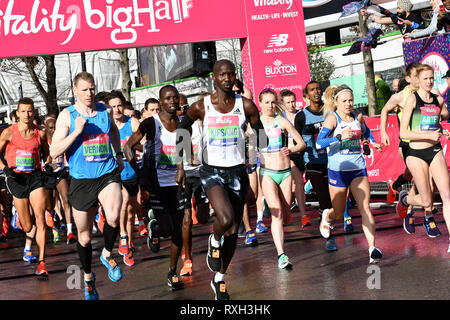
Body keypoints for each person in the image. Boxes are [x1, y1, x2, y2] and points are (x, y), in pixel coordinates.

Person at [175, 59, 266, 300]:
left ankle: (220, 279)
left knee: (234, 230)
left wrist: (253, 156)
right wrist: (182, 164)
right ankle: (214, 241)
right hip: (211, 170)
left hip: (237, 171)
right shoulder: (202, 106)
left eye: (231, 74)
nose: (227, 78)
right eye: (222, 75)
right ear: (214, 78)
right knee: (224, 218)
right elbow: (182, 129)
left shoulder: (245, 105)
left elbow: (260, 135)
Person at [50, 72, 124, 300]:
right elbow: (54, 152)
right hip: (82, 180)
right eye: (84, 89)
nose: (89, 93)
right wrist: (76, 132)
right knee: (83, 237)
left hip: (107, 173)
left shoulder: (105, 110)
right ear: (75, 91)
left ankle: (107, 253)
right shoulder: (67, 116)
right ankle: (89, 279)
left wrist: (118, 152)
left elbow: (112, 130)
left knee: (113, 216)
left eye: (92, 89)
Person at [124, 85, 186, 291]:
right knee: (167, 228)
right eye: (168, 98)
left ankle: (172, 272)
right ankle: (155, 228)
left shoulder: (182, 123)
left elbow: (182, 152)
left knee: (179, 231)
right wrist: (140, 174)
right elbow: (128, 147)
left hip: (176, 184)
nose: (173, 101)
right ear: (160, 102)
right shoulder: (151, 123)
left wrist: (181, 169)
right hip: (157, 183)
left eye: (175, 98)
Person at [316, 85, 383, 264]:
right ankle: (327, 216)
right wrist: (339, 137)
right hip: (337, 171)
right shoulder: (333, 118)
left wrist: (373, 142)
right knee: (338, 214)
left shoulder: (357, 116)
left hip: (358, 169)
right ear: (336, 102)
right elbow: (319, 143)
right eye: (344, 101)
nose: (348, 104)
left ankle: (372, 248)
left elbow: (366, 132)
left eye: (351, 100)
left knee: (365, 207)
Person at [397, 64, 450, 243]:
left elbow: (435, 122)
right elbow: (403, 133)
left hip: (434, 150)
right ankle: (405, 199)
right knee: (427, 202)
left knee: (446, 194)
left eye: (431, 78)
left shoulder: (438, 99)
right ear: (417, 80)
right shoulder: (412, 99)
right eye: (425, 78)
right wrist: (428, 134)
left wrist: (442, 130)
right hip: (416, 152)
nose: (429, 81)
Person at [0, 98, 50, 276]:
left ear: (34, 112)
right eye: (23, 111)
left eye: (30, 111)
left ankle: (42, 262)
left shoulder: (40, 133)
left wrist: (48, 165)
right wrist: (5, 169)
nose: (27, 115)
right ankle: (17, 215)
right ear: (17, 113)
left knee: (40, 219)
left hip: (35, 177)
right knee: (28, 227)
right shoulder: (8, 132)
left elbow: (47, 153)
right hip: (16, 178)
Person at [258, 88, 305, 268]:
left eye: (272, 102)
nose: (270, 105)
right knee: (277, 215)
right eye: (266, 102)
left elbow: (301, 143)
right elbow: (254, 150)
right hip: (267, 173)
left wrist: (291, 149)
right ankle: (281, 254)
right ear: (260, 104)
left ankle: (273, 207)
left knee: (286, 217)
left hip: (285, 174)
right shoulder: (257, 124)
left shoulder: (281, 121)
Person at [296, 82, 338, 232]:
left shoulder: (331, 111)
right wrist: (300, 162)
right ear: (306, 95)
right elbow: (297, 140)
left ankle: (323, 217)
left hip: (331, 160)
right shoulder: (301, 116)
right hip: (312, 161)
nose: (316, 91)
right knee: (323, 197)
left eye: (318, 88)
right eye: (312, 90)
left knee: (332, 200)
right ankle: (328, 231)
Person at [107, 91, 141, 267]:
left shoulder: (132, 123)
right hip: (114, 175)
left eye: (119, 105)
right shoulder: (106, 126)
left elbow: (145, 144)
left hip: (132, 173)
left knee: (130, 213)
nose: (117, 109)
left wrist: (135, 145)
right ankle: (122, 236)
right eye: (113, 106)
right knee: (124, 199)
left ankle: (128, 247)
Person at [43, 117, 77, 245]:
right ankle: (54, 229)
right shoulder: (43, 140)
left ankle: (69, 232)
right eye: (50, 128)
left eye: (55, 127)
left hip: (60, 173)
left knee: (66, 199)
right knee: (49, 205)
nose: (53, 130)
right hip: (46, 176)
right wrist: (47, 164)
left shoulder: (62, 138)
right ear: (45, 128)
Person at [279, 90, 307, 226]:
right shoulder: (280, 118)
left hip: (300, 154)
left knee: (294, 188)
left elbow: (304, 140)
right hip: (286, 156)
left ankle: (284, 211)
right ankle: (304, 215)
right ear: (283, 104)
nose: (291, 105)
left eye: (293, 101)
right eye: (288, 102)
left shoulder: (301, 115)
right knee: (299, 183)